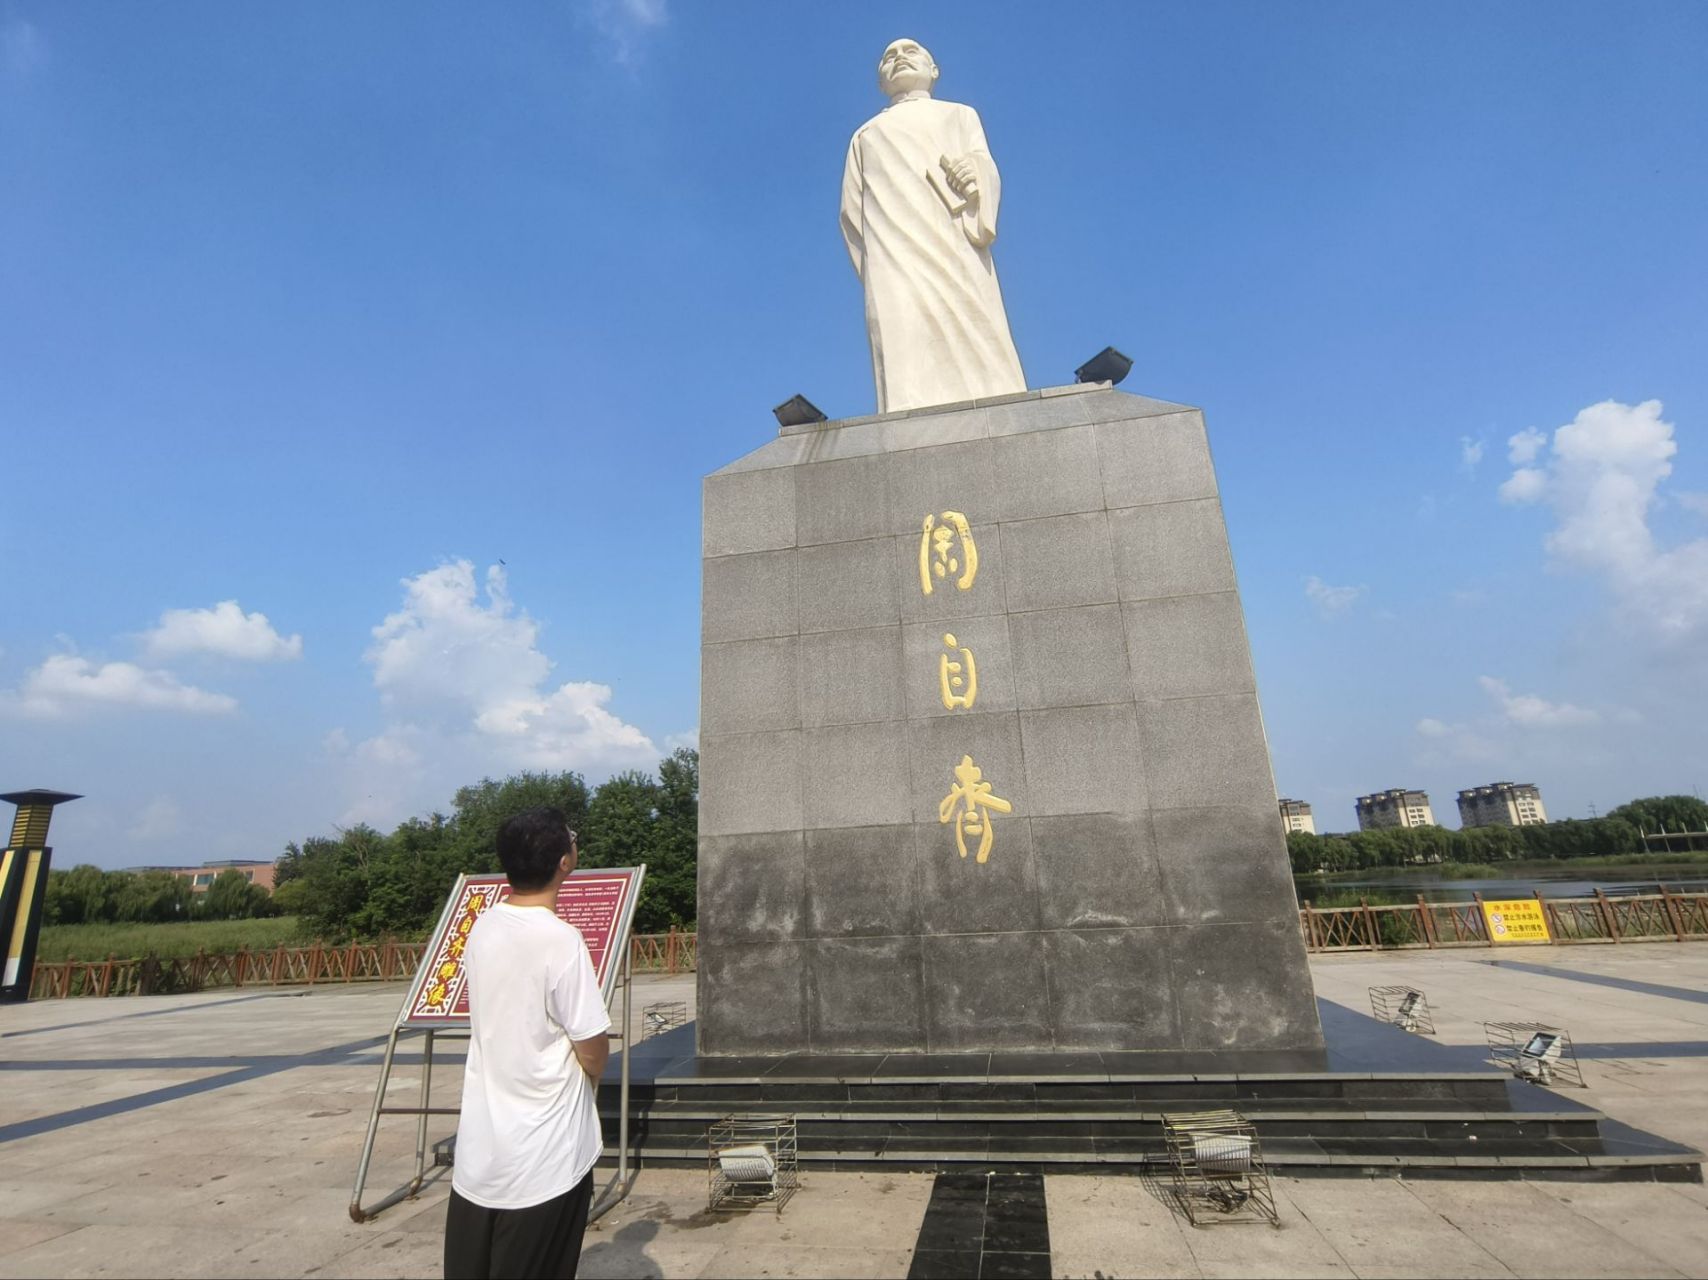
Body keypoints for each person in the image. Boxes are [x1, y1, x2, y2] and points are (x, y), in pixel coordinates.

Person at [443, 808, 611, 1280]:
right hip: (545, 1161)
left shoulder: (483, 927)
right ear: (564, 861)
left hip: (481, 1159)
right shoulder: (561, 941)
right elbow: (592, 1048)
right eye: (572, 838)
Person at [840, 37, 1027, 414]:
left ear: (934, 70)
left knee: (975, 325)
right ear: (880, 80)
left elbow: (982, 164)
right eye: (889, 56)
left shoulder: (958, 115)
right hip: (894, 257)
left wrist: (974, 177)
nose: (899, 58)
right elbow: (851, 212)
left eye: (911, 52)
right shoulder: (866, 135)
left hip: (952, 244)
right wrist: (878, 264)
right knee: (901, 333)